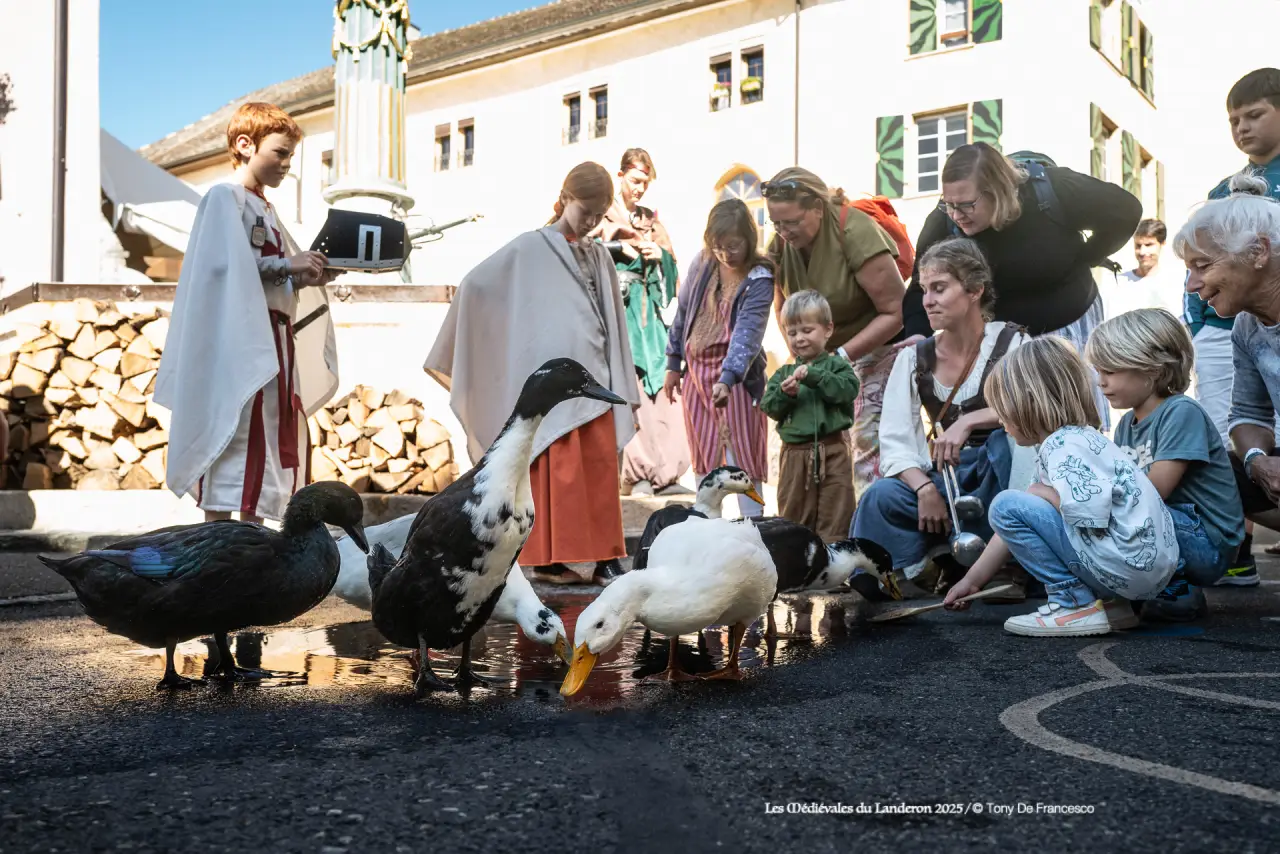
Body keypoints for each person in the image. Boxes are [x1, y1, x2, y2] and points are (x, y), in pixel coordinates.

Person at [424, 162, 640, 587]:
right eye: (585, 211)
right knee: (550, 467)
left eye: (600, 214)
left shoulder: (598, 253)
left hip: (593, 380)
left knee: (598, 468)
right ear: (564, 199)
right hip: (553, 385)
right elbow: (475, 284)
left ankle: (604, 557)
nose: (592, 222)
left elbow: (610, 316)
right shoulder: (529, 247)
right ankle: (545, 560)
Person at [154, 102, 338, 524]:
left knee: (268, 440)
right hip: (240, 342)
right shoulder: (225, 198)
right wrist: (285, 266)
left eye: (291, 155)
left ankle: (252, 545)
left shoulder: (266, 209)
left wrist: (304, 276)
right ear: (245, 144)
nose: (287, 164)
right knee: (235, 432)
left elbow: (267, 277)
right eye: (280, 152)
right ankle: (216, 541)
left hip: (274, 340)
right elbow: (222, 269)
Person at [943, 337, 1178, 637]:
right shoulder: (1080, 440)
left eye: (1002, 408)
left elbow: (1090, 513)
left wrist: (1045, 494)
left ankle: (1072, 603)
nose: (1000, 419)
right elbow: (1018, 527)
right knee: (1017, 506)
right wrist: (972, 581)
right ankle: (1111, 606)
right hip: (1143, 571)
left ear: (1028, 400)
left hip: (1126, 565)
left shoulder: (1063, 446)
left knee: (1005, 505)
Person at [901, 143, 1142, 427]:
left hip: (1069, 328)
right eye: (949, 204)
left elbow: (1126, 211)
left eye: (966, 205)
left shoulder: (1052, 189)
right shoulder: (944, 223)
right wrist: (918, 333)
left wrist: (1087, 257)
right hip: (1002, 344)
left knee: (1076, 421)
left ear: (998, 188)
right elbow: (921, 283)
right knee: (1019, 427)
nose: (956, 214)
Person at [852, 238, 1032, 596]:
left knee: (1004, 445)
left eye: (939, 288)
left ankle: (1007, 564)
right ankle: (921, 567)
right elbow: (895, 439)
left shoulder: (1013, 345)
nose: (928, 301)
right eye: (923, 290)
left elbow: (1033, 411)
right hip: (947, 480)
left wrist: (969, 421)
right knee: (881, 496)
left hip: (1000, 474)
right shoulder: (914, 358)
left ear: (975, 290)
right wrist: (924, 489)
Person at [1087, 309, 1245, 623]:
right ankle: (1150, 585)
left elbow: (1154, 490)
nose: (1101, 382)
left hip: (1208, 543)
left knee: (1115, 512)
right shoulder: (1126, 426)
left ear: (1154, 370)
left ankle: (1176, 589)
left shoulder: (1180, 411)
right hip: (1173, 532)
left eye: (1111, 370)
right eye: (1098, 370)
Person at [1183, 68, 1280, 576]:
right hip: (1229, 330)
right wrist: (1258, 460)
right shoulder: (1224, 188)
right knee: (1214, 452)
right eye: (1233, 119)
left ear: (1260, 248)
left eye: (1254, 114)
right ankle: (1226, 552)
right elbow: (1247, 414)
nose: (1241, 127)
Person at [764, 167, 906, 500]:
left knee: (864, 442)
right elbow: (782, 302)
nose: (783, 232)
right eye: (776, 223)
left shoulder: (855, 231)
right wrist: (802, 352)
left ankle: (869, 531)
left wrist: (838, 357)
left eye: (792, 222)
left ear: (817, 207)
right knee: (814, 443)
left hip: (874, 349)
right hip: (818, 356)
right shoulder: (784, 242)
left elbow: (895, 312)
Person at [664, 199, 774, 517]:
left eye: (733, 245)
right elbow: (684, 312)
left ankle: (752, 531)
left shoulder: (759, 278)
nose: (726, 254)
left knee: (741, 457)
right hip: (696, 375)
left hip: (737, 379)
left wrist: (728, 378)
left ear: (749, 239)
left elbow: (747, 335)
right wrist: (673, 362)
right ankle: (706, 528)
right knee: (704, 455)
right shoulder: (704, 263)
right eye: (719, 246)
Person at [592, 148, 690, 496]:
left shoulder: (652, 220)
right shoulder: (602, 215)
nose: (640, 189)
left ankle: (668, 474)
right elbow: (586, 253)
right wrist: (620, 248)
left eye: (645, 183)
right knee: (631, 391)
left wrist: (659, 255)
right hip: (620, 316)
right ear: (620, 177)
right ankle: (639, 474)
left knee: (664, 392)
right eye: (635, 181)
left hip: (651, 319)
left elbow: (674, 271)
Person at [760, 290, 860, 541]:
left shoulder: (838, 366)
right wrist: (785, 395)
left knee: (836, 510)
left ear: (827, 330)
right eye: (792, 333)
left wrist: (816, 377)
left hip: (833, 450)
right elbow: (769, 406)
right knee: (794, 513)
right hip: (795, 454)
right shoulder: (784, 374)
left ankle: (833, 570)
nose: (799, 339)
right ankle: (798, 567)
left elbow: (847, 391)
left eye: (807, 330)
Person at [1100, 219, 1184, 320]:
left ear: (1162, 244)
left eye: (1149, 245)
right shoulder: (1117, 283)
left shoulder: (1173, 285)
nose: (1142, 251)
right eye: (1138, 246)